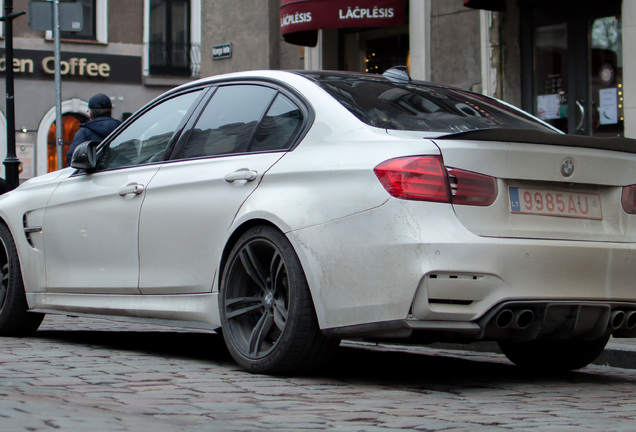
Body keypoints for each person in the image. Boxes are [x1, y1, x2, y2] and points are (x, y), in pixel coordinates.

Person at [65, 93, 122, 166]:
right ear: (111, 111)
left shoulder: (84, 132)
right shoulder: (122, 128)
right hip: (120, 173)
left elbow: (73, 159)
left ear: (90, 113)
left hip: (94, 175)